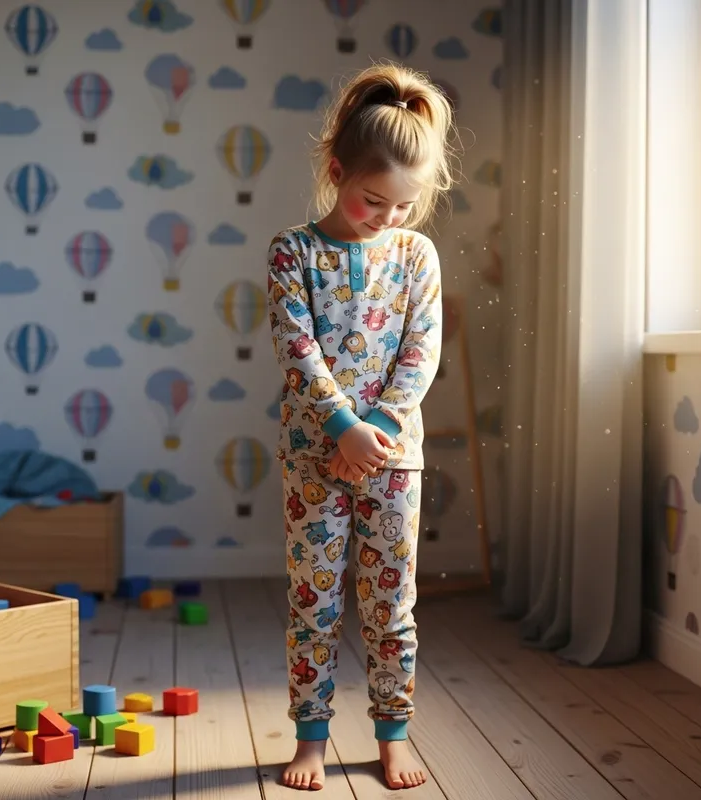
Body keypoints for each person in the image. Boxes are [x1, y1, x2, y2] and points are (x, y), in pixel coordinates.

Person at [266, 62, 458, 792]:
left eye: (403, 207)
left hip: (392, 460)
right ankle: (311, 738)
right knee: (313, 603)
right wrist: (341, 427)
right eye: (372, 199)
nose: (386, 218)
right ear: (337, 169)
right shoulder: (294, 252)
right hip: (314, 459)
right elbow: (297, 350)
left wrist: (374, 428)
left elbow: (420, 353)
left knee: (389, 604)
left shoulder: (416, 257)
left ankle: (393, 733)